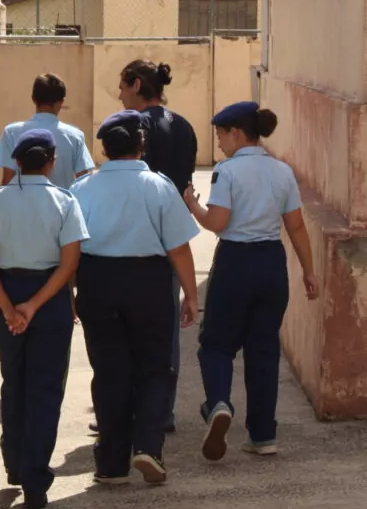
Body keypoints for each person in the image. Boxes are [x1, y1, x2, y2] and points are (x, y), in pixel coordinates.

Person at [184, 101, 319, 462]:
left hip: (235, 262)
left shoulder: (227, 172)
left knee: (215, 345)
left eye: (221, 136)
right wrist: (308, 271)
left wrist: (192, 205)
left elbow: (217, 223)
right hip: (271, 263)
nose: (220, 144)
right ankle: (262, 435)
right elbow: (296, 226)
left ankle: (218, 405)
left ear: (236, 133)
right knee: (263, 351)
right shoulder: (282, 171)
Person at [71, 110, 199, 486]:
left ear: (105, 149)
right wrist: (190, 295)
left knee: (109, 373)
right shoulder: (159, 187)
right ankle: (148, 446)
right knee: (155, 368)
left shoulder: (82, 190)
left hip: (97, 281)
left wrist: (72, 293)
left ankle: (111, 463)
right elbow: (179, 248)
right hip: (148, 282)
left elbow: (70, 250)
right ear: (142, 144)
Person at [0, 129, 88, 509]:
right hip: (50, 297)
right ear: (52, 162)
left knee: (14, 381)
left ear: (16, 162)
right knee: (45, 389)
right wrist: (36, 305)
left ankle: (15, 463)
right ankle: (35, 477)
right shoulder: (65, 201)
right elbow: (70, 262)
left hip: (8, 287)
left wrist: (9, 307)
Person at [118, 58, 198, 433]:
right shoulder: (183, 127)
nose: (120, 94)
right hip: (170, 239)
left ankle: (124, 409)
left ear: (135, 84)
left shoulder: (130, 128)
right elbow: (184, 189)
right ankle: (161, 411)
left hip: (131, 241)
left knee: (124, 334)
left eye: (122, 86)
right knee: (165, 332)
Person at [0, 73, 94, 189]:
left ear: (33, 99)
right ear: (61, 102)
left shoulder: (11, 132)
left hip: (21, 205)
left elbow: (7, 180)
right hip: (62, 205)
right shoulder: (75, 136)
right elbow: (84, 181)